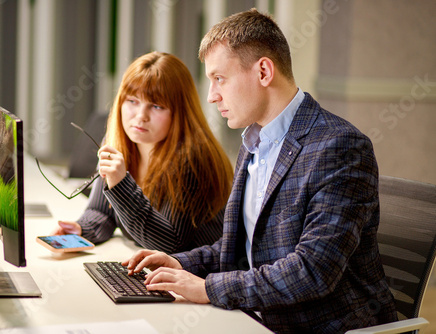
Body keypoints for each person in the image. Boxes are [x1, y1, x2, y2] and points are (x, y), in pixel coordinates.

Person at [124, 9, 398, 333]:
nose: (211, 96)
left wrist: (207, 289)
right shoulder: (255, 141)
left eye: (219, 78)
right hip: (254, 319)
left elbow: (312, 271)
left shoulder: (340, 147)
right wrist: (182, 263)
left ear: (264, 71)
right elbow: (242, 247)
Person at [53, 51, 233, 254]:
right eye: (132, 101)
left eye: (156, 106)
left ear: (180, 112)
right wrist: (81, 229)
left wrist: (121, 185)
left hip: (198, 278)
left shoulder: (194, 158)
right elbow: (102, 212)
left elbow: (170, 243)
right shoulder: (118, 142)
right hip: (157, 271)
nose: (140, 117)